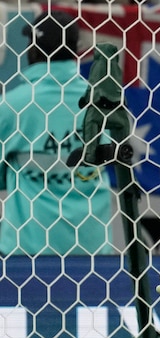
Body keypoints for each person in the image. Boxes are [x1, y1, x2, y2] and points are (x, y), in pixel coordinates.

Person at [0, 11, 114, 256]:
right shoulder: (102, 101)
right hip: (93, 252)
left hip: (26, 254)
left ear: (32, 49)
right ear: (75, 50)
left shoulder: (12, 106)